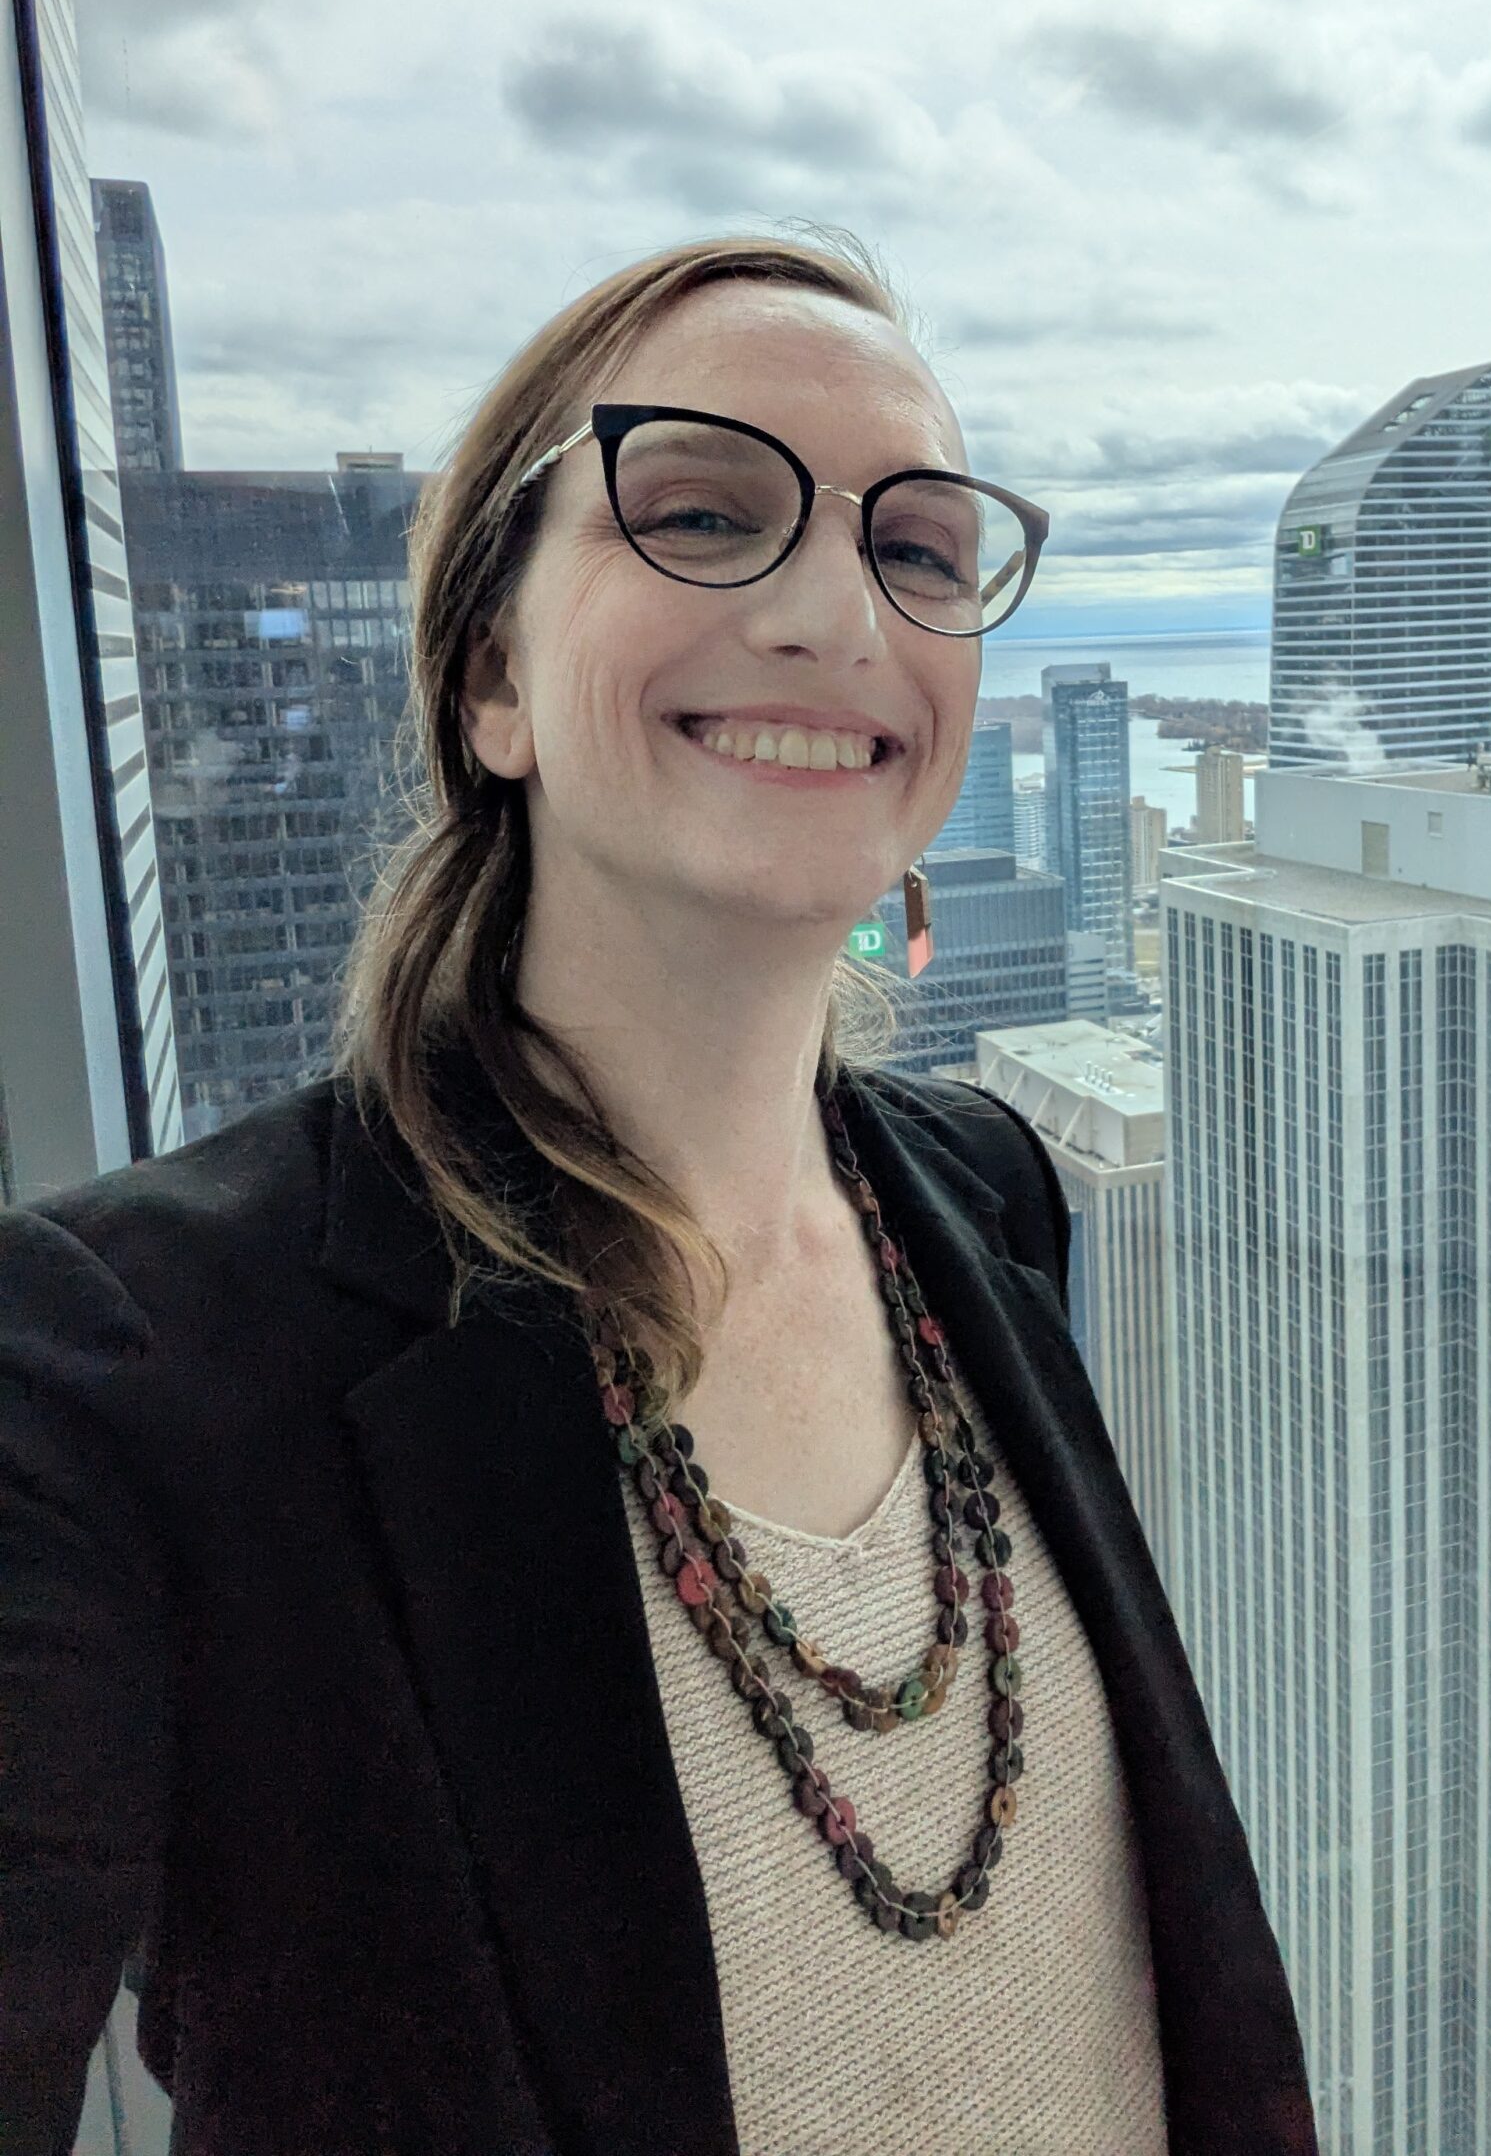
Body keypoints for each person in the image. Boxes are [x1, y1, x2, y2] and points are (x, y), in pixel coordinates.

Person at [0, 233, 1319, 2155]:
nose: (831, 614)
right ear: (488, 681)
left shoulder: (988, 1194)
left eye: (922, 549)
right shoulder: (129, 1361)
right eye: (701, 511)